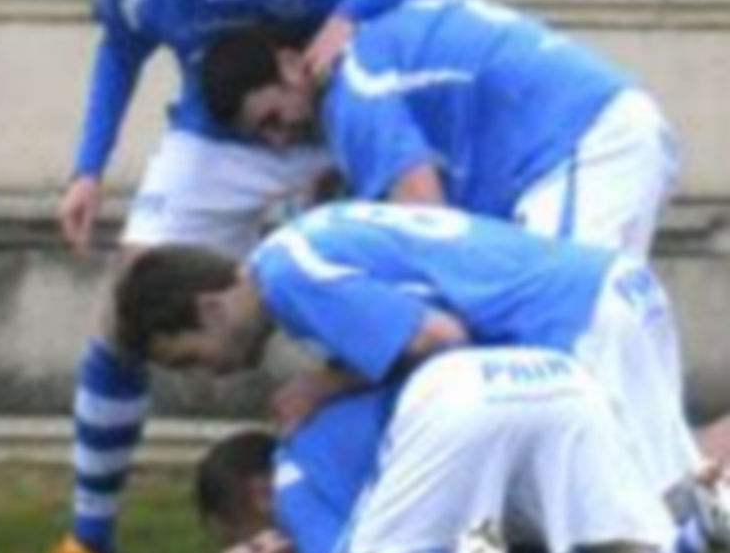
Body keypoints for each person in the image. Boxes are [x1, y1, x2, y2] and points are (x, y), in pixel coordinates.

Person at [0, 0, 481, 553]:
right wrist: (86, 165)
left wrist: (351, 17)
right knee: (127, 303)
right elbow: (121, 43)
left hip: (341, 112)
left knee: (433, 285)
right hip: (219, 141)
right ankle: (88, 548)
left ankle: (436, 522)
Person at [113, 200, 701, 509]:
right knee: (674, 482)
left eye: (189, 358)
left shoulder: (291, 280)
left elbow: (442, 339)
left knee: (644, 505)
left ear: (210, 307)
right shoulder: (294, 247)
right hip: (608, 290)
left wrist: (327, 385)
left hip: (574, 317)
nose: (207, 377)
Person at [192, 348, 730, 553]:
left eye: (257, 546)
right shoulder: (329, 447)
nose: (279, 549)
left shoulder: (292, 483)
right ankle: (711, 524)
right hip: (555, 376)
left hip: (451, 402)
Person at [200, 0, 680, 258]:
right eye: (264, 136)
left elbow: (429, 224)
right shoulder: (377, 46)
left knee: (557, 327)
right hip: (597, 136)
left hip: (577, 144)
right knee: (606, 333)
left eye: (273, 119)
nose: (282, 139)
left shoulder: (352, 92)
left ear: (289, 65)